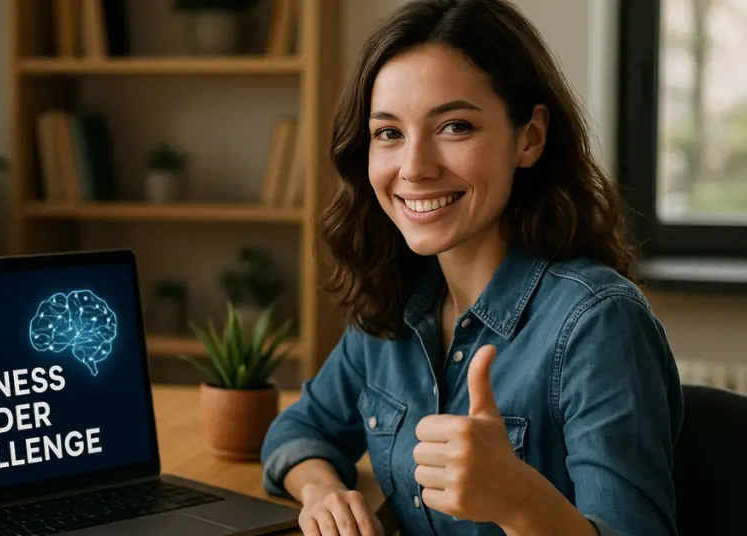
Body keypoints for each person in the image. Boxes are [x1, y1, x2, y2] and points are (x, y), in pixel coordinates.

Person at [259, 1, 684, 535]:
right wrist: (322, 490)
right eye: (389, 132)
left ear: (529, 137)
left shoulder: (599, 323)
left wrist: (519, 500)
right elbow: (298, 429)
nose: (414, 167)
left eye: (454, 126)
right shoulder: (395, 301)